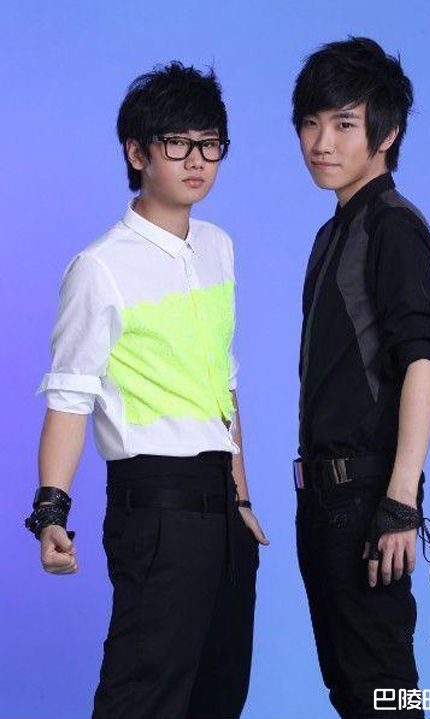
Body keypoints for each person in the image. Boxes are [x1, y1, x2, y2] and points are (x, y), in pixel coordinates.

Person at [26, 61, 268, 719]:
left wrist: (242, 497)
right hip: (155, 506)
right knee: (144, 696)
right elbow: (70, 398)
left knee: (219, 694)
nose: (197, 160)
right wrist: (51, 513)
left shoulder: (218, 247)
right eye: (177, 143)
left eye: (210, 144)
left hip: (222, 507)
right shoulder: (99, 267)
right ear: (137, 153)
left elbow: (223, 381)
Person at [291, 37, 430, 719]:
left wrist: (400, 502)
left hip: (368, 499)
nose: (321, 142)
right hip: (323, 500)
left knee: (382, 696)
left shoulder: (392, 224)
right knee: (352, 690)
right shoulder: (333, 232)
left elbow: (423, 359)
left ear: (386, 134)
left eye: (344, 123)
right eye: (310, 122)